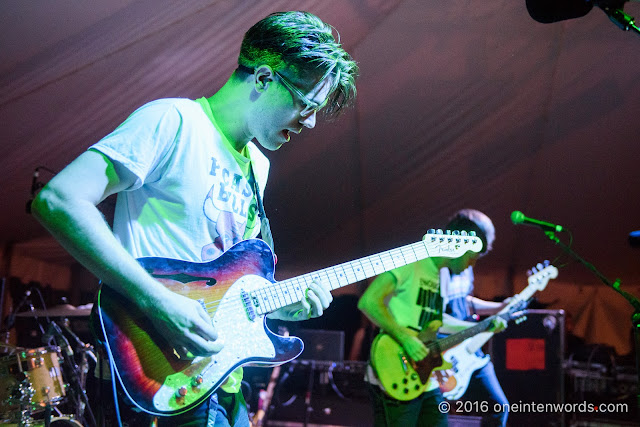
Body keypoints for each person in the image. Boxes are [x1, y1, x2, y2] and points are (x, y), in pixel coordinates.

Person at [31, 10, 358, 426]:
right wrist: (157, 299)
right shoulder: (174, 122)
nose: (309, 122)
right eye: (306, 104)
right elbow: (60, 199)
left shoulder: (258, 165)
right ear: (262, 79)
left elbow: (223, 281)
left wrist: (282, 309)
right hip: (161, 374)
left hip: (224, 382)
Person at [357, 224, 505, 427]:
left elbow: (438, 321)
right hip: (395, 370)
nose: (471, 265)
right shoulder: (411, 261)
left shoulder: (441, 275)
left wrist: (482, 327)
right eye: (472, 258)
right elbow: (369, 302)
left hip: (426, 378)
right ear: (460, 249)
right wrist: (406, 339)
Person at [440, 209, 509, 426]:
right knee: (437, 416)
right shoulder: (440, 267)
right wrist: (480, 328)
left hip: (469, 349)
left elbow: (464, 303)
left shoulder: (466, 266)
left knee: (499, 408)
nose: (476, 259)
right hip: (444, 353)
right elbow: (437, 318)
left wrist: (499, 307)